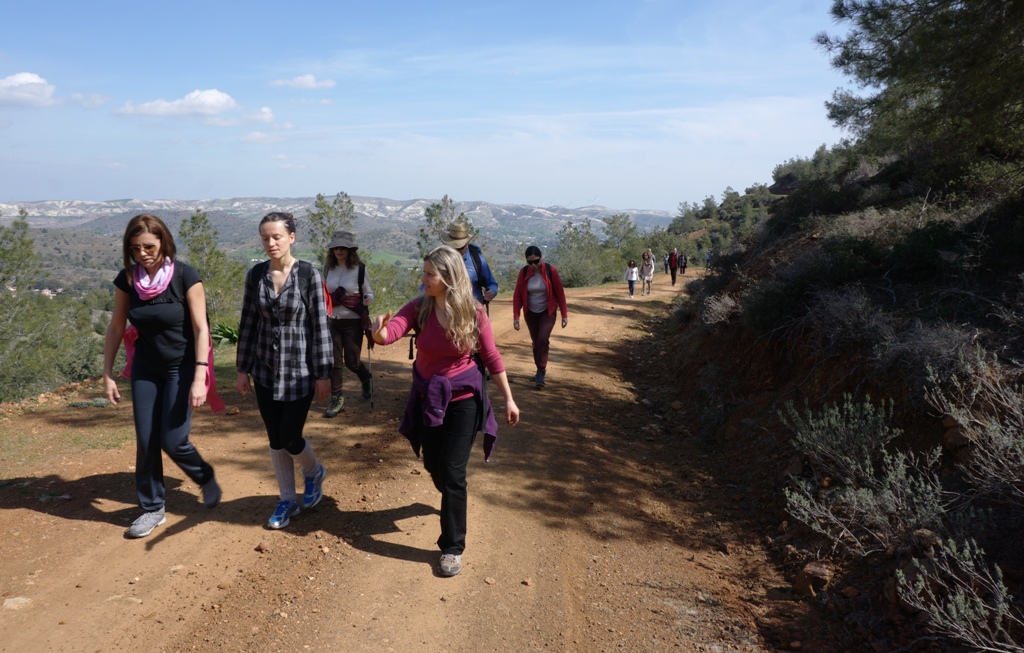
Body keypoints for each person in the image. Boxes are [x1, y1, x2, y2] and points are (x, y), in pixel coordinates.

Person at [371, 246, 520, 577]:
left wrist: (509, 399)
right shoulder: (419, 307)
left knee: (453, 473)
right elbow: (392, 332)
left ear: (449, 278)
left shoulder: (473, 312)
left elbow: (491, 357)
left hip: (464, 399)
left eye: (430, 274)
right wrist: (378, 331)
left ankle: (452, 547)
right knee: (433, 464)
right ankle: (453, 499)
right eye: (423, 272)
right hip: (429, 396)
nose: (423, 278)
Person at [102, 214, 221, 539]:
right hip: (146, 369)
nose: (142, 254)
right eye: (135, 248)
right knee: (146, 440)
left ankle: (205, 476)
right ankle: (152, 508)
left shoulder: (184, 276)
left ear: (163, 242)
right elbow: (116, 327)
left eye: (149, 247)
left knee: (173, 440)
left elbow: (201, 329)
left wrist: (200, 376)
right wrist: (107, 373)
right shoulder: (128, 280)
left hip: (181, 367)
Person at [236, 212, 331, 530]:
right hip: (264, 370)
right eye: (265, 237)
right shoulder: (256, 275)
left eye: (276, 236)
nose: (270, 243)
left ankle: (313, 471)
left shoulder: (308, 275)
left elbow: (320, 326)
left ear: (292, 237)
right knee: (275, 438)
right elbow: (248, 322)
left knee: (290, 436)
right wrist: (242, 369)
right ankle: (287, 499)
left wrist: (323, 374)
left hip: (300, 371)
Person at [322, 230, 373, 418]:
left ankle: (365, 378)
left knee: (352, 362)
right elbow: (324, 291)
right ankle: (337, 399)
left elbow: (368, 291)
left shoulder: (360, 270)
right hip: (332, 321)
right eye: (336, 248)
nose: (339, 251)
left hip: (353, 322)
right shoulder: (328, 268)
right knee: (334, 363)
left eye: (343, 247)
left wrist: (368, 298)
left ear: (350, 250)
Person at [511, 246, 569, 388]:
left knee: (543, 339)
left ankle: (541, 371)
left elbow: (560, 293)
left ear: (541, 258)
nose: (533, 265)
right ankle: (539, 370)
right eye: (530, 262)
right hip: (530, 313)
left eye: (536, 261)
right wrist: (516, 317)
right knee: (536, 342)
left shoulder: (550, 270)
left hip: (548, 311)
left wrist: (564, 315)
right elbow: (517, 295)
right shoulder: (523, 272)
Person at [440, 222, 498, 308]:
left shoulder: (478, 261)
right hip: (446, 310)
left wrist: (492, 291)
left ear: (467, 243)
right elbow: (426, 286)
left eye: (460, 248)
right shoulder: (439, 261)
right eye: (453, 247)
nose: (456, 251)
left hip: (473, 310)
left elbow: (492, 283)